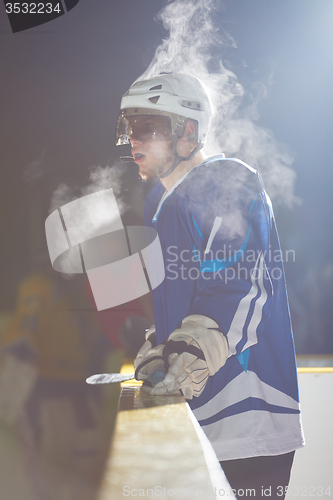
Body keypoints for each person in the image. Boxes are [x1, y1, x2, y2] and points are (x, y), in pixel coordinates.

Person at [115, 73, 305, 498]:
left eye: (148, 126)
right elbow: (181, 296)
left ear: (189, 132)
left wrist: (191, 350)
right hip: (193, 417)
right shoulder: (158, 203)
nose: (134, 139)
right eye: (130, 127)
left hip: (247, 416)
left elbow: (243, 288)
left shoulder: (227, 181)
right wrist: (161, 343)